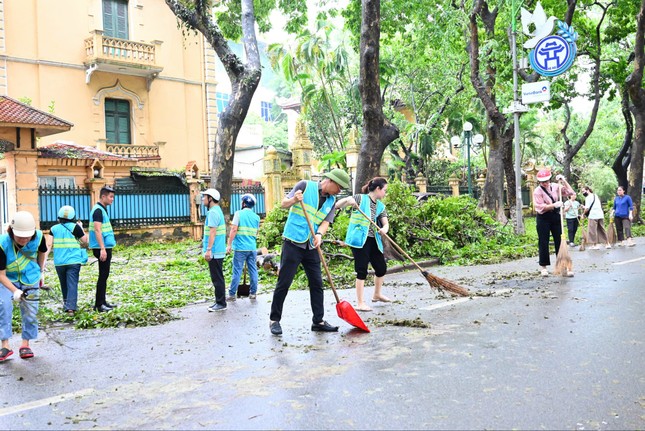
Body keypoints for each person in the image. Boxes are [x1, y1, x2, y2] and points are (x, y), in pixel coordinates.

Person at [269, 168, 350, 336]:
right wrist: (294, 200)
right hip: (293, 241)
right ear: (331, 181)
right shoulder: (305, 185)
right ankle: (274, 320)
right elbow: (283, 204)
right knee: (284, 282)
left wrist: (320, 234)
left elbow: (326, 222)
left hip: (312, 245)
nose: (340, 191)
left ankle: (318, 321)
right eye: (339, 187)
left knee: (317, 283)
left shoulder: (331, 201)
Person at [335, 177, 390, 312]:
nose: (385, 193)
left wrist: (384, 229)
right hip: (359, 240)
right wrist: (348, 200)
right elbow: (337, 205)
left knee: (381, 268)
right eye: (385, 190)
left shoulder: (380, 206)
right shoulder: (360, 198)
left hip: (373, 240)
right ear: (378, 189)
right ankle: (360, 303)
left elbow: (385, 223)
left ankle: (377, 294)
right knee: (362, 269)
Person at [0, 211, 48, 361]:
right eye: (20, 236)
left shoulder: (39, 237)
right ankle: (5, 345)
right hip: (8, 278)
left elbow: (42, 252)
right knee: (3, 305)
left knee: (30, 310)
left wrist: (40, 271)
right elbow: (1, 274)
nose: (24, 239)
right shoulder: (2, 244)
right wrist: (15, 291)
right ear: (12, 232)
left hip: (30, 276)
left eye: (27, 236)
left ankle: (25, 344)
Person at [532, 169, 574, 276]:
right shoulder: (537, 191)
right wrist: (554, 205)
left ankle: (562, 265)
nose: (545, 183)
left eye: (546, 180)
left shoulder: (556, 186)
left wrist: (563, 181)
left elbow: (570, 193)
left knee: (559, 240)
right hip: (543, 217)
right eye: (542, 181)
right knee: (543, 241)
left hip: (555, 216)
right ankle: (544, 267)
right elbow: (540, 207)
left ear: (549, 179)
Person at [50, 205, 88, 315]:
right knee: (72, 283)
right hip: (73, 260)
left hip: (59, 262)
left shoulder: (54, 229)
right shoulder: (75, 227)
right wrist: (81, 228)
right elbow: (85, 241)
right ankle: (71, 308)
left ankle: (67, 305)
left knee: (64, 284)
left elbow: (49, 244)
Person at [226, 193, 261, 301]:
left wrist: (229, 244)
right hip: (252, 248)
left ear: (243, 203)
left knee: (237, 271)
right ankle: (253, 293)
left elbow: (234, 229)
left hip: (240, 248)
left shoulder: (238, 214)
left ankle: (232, 294)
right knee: (253, 270)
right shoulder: (257, 217)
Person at [89, 186, 117, 312]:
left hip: (104, 246)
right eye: (110, 197)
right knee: (103, 275)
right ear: (103, 196)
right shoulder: (98, 211)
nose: (112, 199)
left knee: (104, 275)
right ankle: (99, 304)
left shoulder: (102, 209)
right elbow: (97, 229)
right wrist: (102, 248)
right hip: (101, 247)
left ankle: (102, 301)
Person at [202, 188, 227, 312]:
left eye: (204, 197)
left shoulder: (213, 212)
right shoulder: (217, 210)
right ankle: (219, 301)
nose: (202, 199)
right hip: (217, 250)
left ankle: (221, 303)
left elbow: (212, 232)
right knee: (217, 277)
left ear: (210, 198)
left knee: (217, 278)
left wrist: (208, 250)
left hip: (215, 251)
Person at [581, 185, 611, 250]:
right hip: (600, 214)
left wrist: (583, 214)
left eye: (583, 191)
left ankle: (595, 245)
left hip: (593, 215)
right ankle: (607, 243)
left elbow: (587, 208)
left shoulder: (588, 197)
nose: (583, 193)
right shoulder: (595, 195)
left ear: (587, 190)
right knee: (602, 229)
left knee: (592, 230)